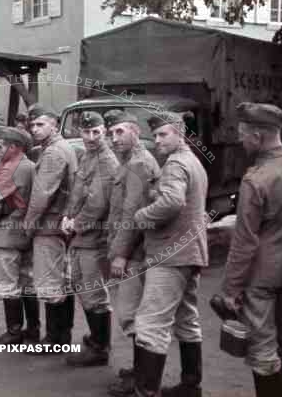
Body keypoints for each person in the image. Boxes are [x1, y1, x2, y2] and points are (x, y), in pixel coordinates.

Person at [222, 102, 282, 397]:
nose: (240, 140)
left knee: (263, 352)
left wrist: (230, 289)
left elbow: (244, 243)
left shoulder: (256, 179)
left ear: (259, 134)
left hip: (262, 279)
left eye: (243, 134)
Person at [113, 111, 208, 397]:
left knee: (150, 325)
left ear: (179, 133)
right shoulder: (194, 162)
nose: (157, 140)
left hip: (169, 255)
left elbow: (172, 202)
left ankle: (146, 391)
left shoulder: (176, 164)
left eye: (163, 134)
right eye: (154, 135)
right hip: (190, 253)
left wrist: (142, 216)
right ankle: (190, 386)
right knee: (186, 320)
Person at [103, 110, 160, 395]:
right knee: (132, 314)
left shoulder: (138, 163)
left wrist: (121, 253)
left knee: (131, 314)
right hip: (131, 249)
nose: (114, 139)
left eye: (120, 132)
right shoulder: (128, 162)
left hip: (135, 253)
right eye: (111, 133)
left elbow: (132, 214)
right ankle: (139, 371)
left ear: (135, 131)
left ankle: (141, 378)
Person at [61, 111, 118, 367]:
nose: (91, 137)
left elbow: (98, 202)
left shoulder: (106, 160)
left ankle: (101, 348)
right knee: (82, 284)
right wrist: (66, 216)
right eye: (86, 132)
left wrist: (76, 223)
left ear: (104, 131)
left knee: (94, 290)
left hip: (95, 237)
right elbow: (77, 193)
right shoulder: (86, 156)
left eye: (96, 131)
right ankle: (96, 339)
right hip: (81, 236)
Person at [23, 104, 78, 353]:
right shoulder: (59, 147)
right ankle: (61, 336)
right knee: (62, 281)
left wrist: (29, 223)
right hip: (59, 223)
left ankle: (55, 340)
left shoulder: (54, 152)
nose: (35, 129)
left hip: (49, 224)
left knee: (49, 282)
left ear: (55, 125)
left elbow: (43, 192)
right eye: (32, 125)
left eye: (40, 124)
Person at [0, 125, 38, 348]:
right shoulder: (32, 166)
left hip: (7, 232)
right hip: (27, 230)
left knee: (7, 284)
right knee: (27, 283)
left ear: (14, 147)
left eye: (0, 145)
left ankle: (13, 332)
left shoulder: (10, 168)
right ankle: (32, 330)